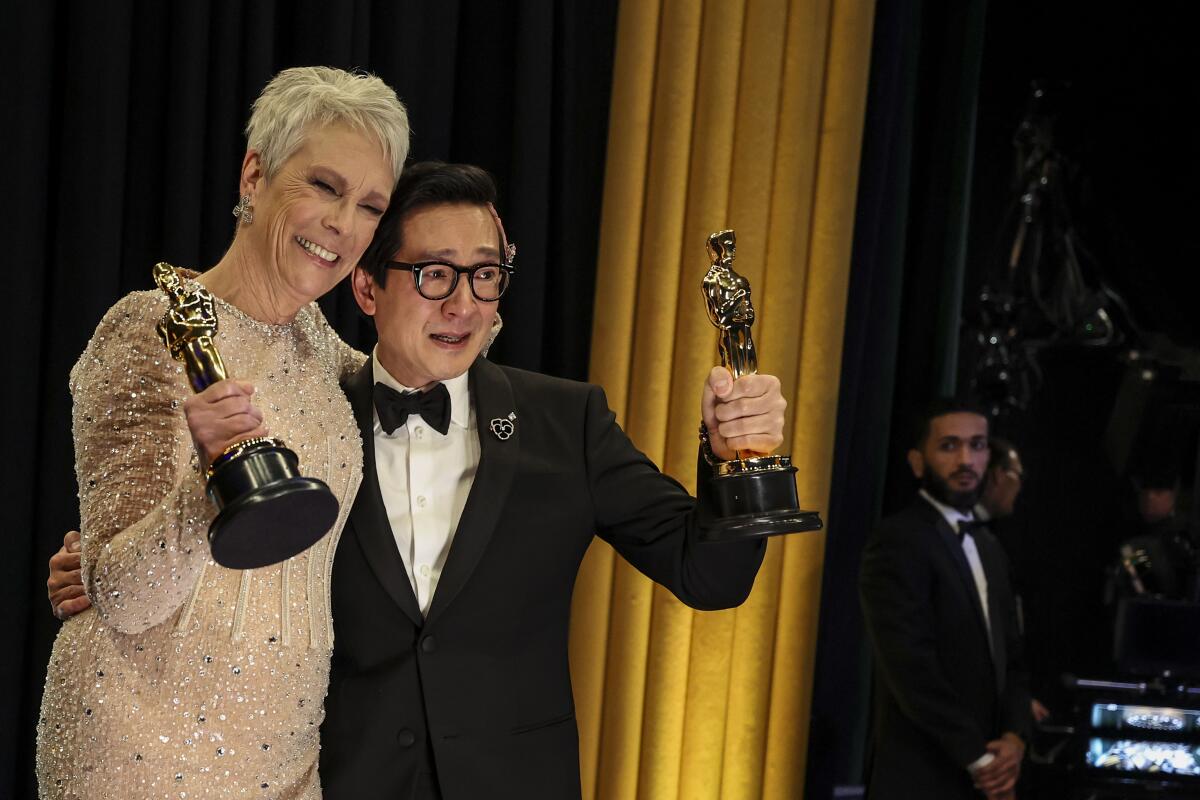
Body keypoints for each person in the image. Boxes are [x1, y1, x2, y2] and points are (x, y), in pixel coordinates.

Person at [48, 162, 787, 799]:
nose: (463, 304)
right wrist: (97, 564)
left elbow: (710, 575)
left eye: (485, 275)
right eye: (434, 274)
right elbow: (234, 557)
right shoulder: (318, 419)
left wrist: (736, 458)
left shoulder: (569, 421)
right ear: (367, 287)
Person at [37, 66, 410, 799]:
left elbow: (426, 393)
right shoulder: (149, 330)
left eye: (371, 205)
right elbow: (120, 594)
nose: (345, 224)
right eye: (325, 187)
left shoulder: (325, 352)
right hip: (139, 743)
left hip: (288, 755)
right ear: (254, 174)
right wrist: (202, 488)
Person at [859, 399, 1031, 800]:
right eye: (950, 446)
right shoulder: (897, 541)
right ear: (918, 462)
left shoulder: (989, 546)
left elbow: (1015, 658)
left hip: (988, 776)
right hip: (922, 777)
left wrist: (1015, 738)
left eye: (978, 445)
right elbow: (910, 668)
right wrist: (980, 761)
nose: (966, 459)